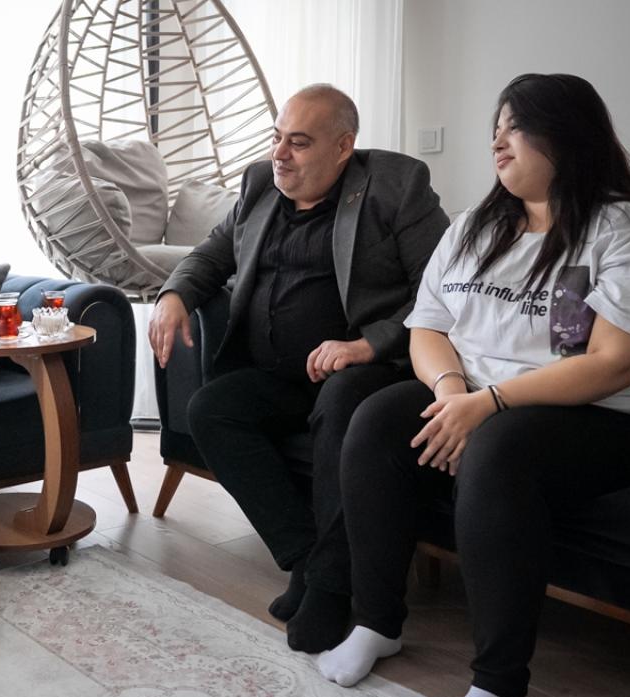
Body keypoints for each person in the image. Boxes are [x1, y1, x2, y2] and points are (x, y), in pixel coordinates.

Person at [318, 74, 630, 697]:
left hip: (606, 415)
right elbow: (427, 328)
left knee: (497, 448)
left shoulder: (625, 228)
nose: (497, 141)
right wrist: (452, 391)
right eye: (496, 128)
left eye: (515, 127)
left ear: (567, 136)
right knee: (375, 421)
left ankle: (499, 688)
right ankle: (376, 621)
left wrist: (486, 407)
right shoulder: (472, 228)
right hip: (476, 398)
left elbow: (614, 362)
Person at [147, 84, 449, 652]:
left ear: (343, 147)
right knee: (212, 409)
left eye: (299, 143)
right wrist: (174, 294)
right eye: (277, 137)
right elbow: (212, 252)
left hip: (367, 370)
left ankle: (332, 587)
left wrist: (368, 344)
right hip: (281, 375)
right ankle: (308, 558)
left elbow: (441, 291)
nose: (280, 154)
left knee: (341, 402)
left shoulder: (396, 187)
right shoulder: (260, 184)